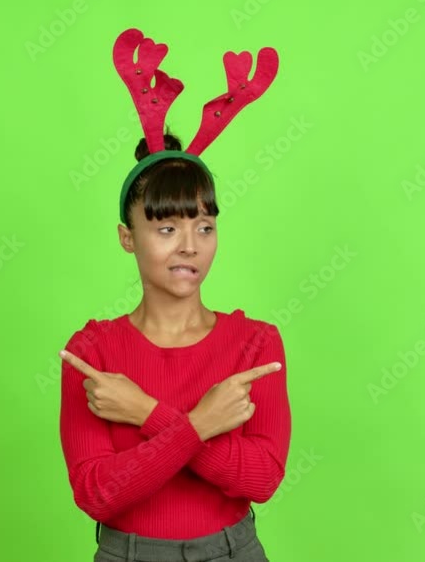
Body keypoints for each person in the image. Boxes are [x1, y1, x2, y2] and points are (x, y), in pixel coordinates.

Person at [58, 28, 288, 562]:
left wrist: (145, 411)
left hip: (233, 552)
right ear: (127, 237)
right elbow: (97, 492)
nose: (190, 246)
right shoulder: (92, 354)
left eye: (204, 226)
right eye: (166, 229)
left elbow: (261, 478)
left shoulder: (256, 345)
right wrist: (202, 424)